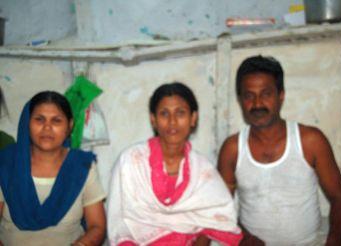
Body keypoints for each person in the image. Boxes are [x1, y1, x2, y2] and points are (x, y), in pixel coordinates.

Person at [217, 55, 341, 245]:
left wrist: (333, 242)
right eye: (249, 96)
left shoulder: (310, 141)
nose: (257, 104)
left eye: (266, 94)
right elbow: (220, 208)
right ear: (240, 100)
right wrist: (244, 237)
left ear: (281, 95)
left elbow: (340, 198)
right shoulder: (232, 149)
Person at [107, 82, 242, 246]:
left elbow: (216, 219)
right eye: (164, 113)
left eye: (180, 113)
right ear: (153, 120)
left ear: (193, 118)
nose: (172, 122)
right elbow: (120, 223)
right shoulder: (130, 162)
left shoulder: (202, 170)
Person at [0, 91, 106, 245]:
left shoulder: (81, 165)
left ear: (69, 126)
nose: (47, 128)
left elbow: (97, 226)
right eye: (39, 120)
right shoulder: (6, 163)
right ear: (27, 123)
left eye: (56, 121)